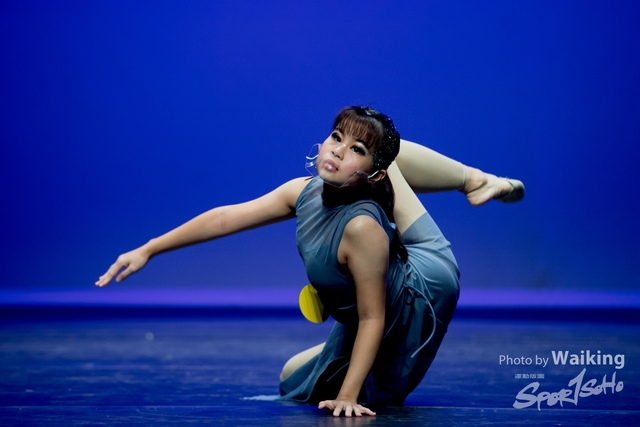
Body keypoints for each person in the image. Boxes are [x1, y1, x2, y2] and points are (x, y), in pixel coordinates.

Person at [96, 106, 524, 417]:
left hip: (422, 290)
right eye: (336, 137)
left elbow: (373, 318)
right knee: (291, 378)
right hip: (373, 298)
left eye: (354, 149)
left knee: (387, 148)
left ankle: (476, 180)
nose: (337, 150)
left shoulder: (362, 229)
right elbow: (225, 218)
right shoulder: (301, 192)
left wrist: (348, 396)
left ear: (371, 174)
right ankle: (460, 175)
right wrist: (149, 248)